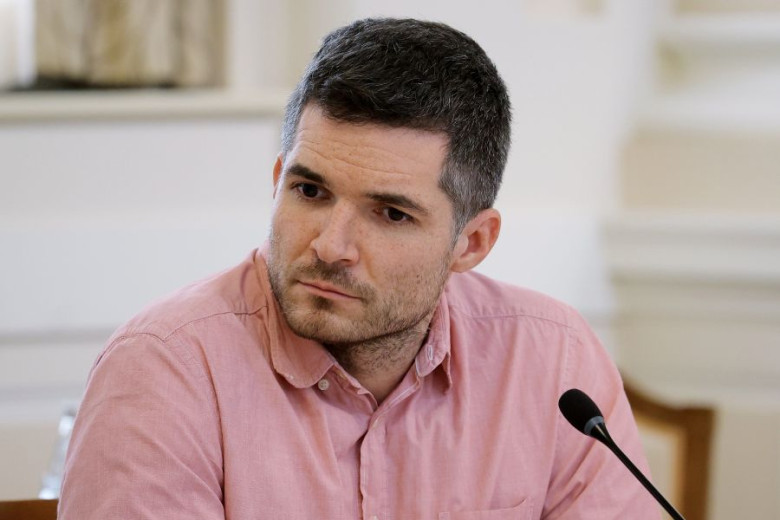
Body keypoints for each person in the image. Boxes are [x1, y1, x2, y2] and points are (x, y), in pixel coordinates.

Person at [59, 18, 659, 519]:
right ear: (277, 184)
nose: (329, 245)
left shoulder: (552, 361)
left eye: (390, 214)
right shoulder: (164, 371)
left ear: (471, 243)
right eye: (311, 192)